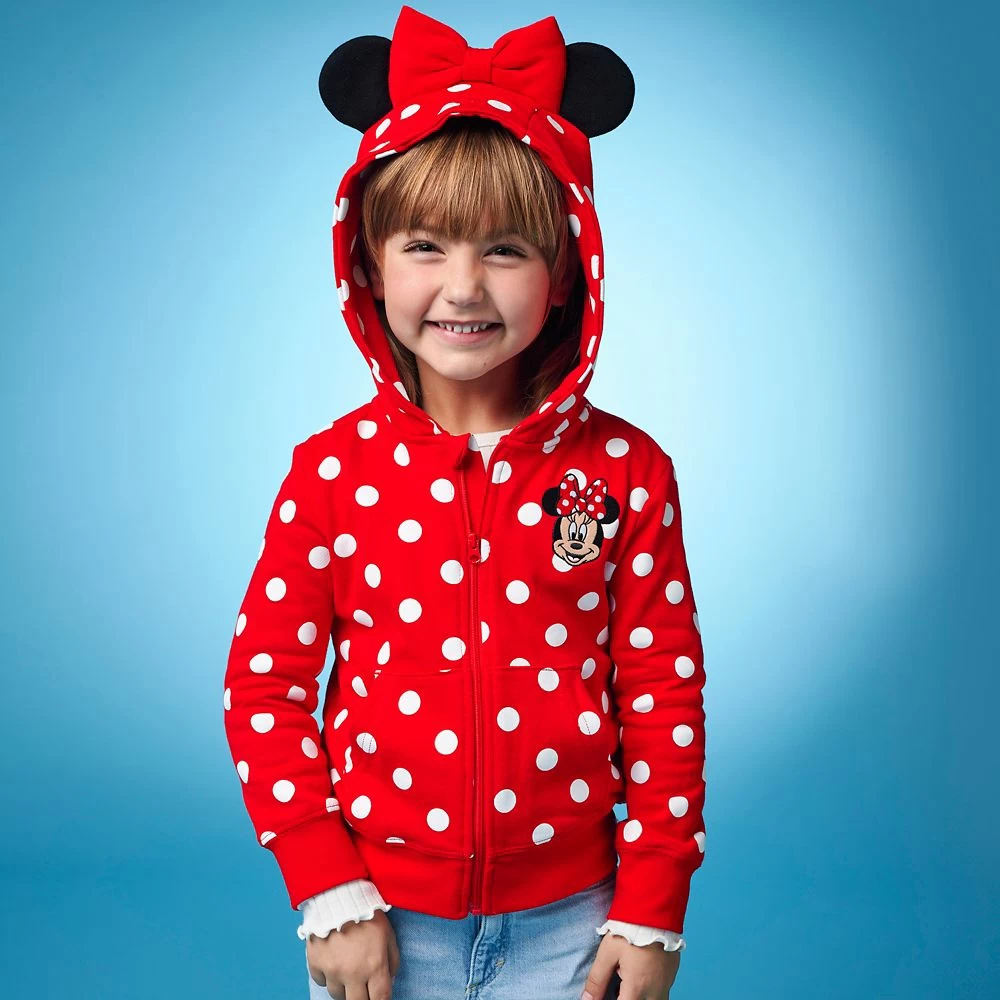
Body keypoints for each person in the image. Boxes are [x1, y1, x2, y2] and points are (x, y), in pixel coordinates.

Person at [222, 6, 707, 999]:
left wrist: (654, 904)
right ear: (368, 263)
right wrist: (328, 888)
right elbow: (265, 688)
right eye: (426, 246)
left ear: (566, 271)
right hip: (380, 925)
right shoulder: (331, 472)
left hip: (577, 927)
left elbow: (662, 690)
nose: (464, 285)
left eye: (507, 249)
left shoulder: (627, 470)